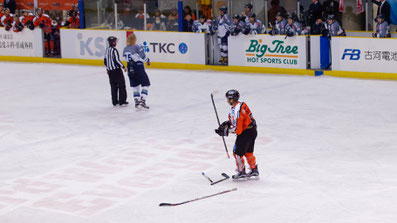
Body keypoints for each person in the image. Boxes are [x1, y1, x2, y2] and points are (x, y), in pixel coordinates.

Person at [215, 90, 259, 179]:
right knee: (248, 152)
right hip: (253, 130)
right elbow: (245, 119)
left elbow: (238, 131)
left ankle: (241, 171)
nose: (227, 100)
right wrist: (228, 122)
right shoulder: (242, 104)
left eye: (228, 99)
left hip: (245, 133)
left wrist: (226, 131)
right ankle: (254, 169)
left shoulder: (236, 111)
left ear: (232, 99)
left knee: (237, 153)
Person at [123, 34, 151, 109]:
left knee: (135, 86)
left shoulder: (125, 48)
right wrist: (147, 60)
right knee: (146, 84)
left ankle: (136, 101)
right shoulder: (137, 46)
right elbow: (143, 56)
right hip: (138, 67)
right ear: (135, 39)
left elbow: (125, 59)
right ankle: (143, 100)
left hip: (129, 68)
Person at [104, 36, 128, 106]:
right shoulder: (114, 50)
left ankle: (114, 101)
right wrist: (123, 66)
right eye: (115, 41)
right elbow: (117, 60)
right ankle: (122, 101)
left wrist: (108, 68)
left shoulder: (107, 50)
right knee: (121, 85)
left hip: (110, 71)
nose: (116, 42)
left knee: (113, 86)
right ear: (113, 42)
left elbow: (105, 61)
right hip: (117, 71)